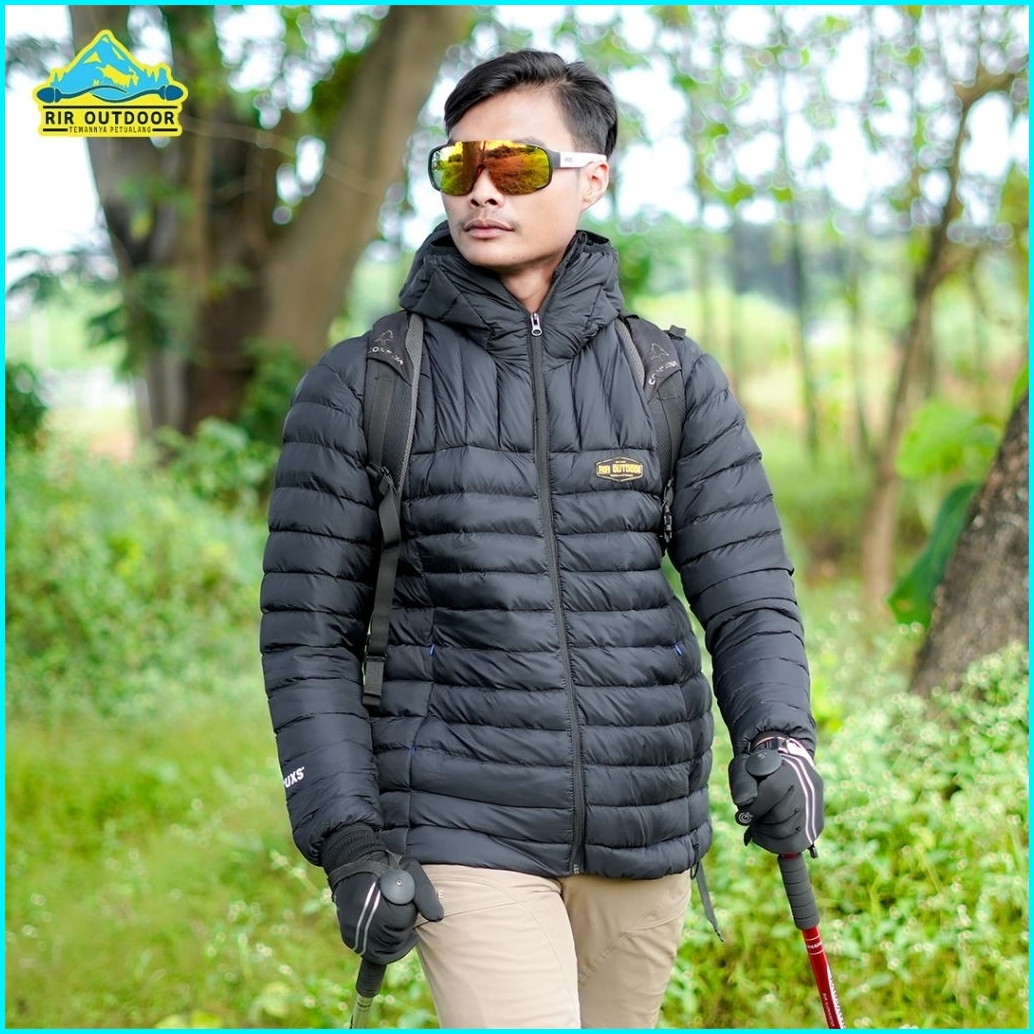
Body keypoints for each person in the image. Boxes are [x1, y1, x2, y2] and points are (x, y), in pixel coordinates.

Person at [260, 48, 824, 1029]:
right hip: (458, 822)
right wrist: (346, 838)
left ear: (591, 177)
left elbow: (748, 598)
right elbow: (308, 639)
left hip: (644, 825)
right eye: (457, 165)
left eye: (515, 165)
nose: (480, 190)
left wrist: (781, 739)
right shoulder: (363, 384)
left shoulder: (669, 379)